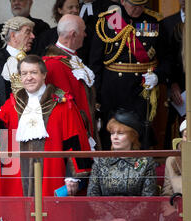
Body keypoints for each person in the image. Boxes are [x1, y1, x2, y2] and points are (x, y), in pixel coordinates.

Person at [0, 54, 92, 197]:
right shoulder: (12, 105)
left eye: (33, 72)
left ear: (44, 75)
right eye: (24, 73)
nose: (29, 77)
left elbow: (75, 141)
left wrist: (72, 176)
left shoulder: (63, 103)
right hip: (16, 181)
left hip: (53, 177)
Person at [89, 0, 171, 150]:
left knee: (141, 135)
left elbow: (167, 59)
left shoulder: (154, 21)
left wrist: (158, 75)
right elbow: (95, 63)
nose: (138, 9)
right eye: (134, 5)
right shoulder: (107, 20)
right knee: (112, 135)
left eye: (142, 4)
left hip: (141, 89)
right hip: (113, 90)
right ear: (122, 1)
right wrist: (96, 97)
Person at [43, 14, 100, 150]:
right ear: (73, 34)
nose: (85, 35)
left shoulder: (71, 59)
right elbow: (66, 108)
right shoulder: (54, 65)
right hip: (73, 138)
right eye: (83, 31)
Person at [163, 0, 185, 149]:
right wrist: (172, 84)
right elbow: (166, 58)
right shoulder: (167, 23)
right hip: (179, 84)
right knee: (174, 128)